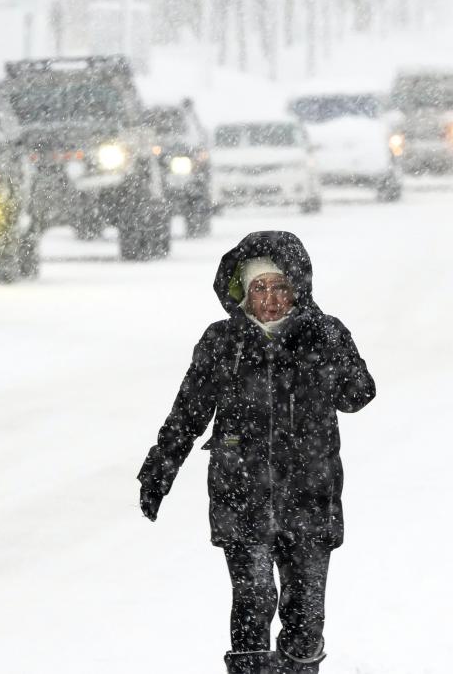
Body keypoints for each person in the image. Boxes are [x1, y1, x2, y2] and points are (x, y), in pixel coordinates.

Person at [137, 231, 375, 674]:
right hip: (241, 495)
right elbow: (188, 413)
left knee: (305, 616)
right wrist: (159, 470)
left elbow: (358, 395)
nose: (270, 299)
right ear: (243, 292)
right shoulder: (222, 342)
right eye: (259, 287)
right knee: (253, 600)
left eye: (280, 286)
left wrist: (325, 350)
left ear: (297, 288)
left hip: (310, 498)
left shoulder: (325, 333)